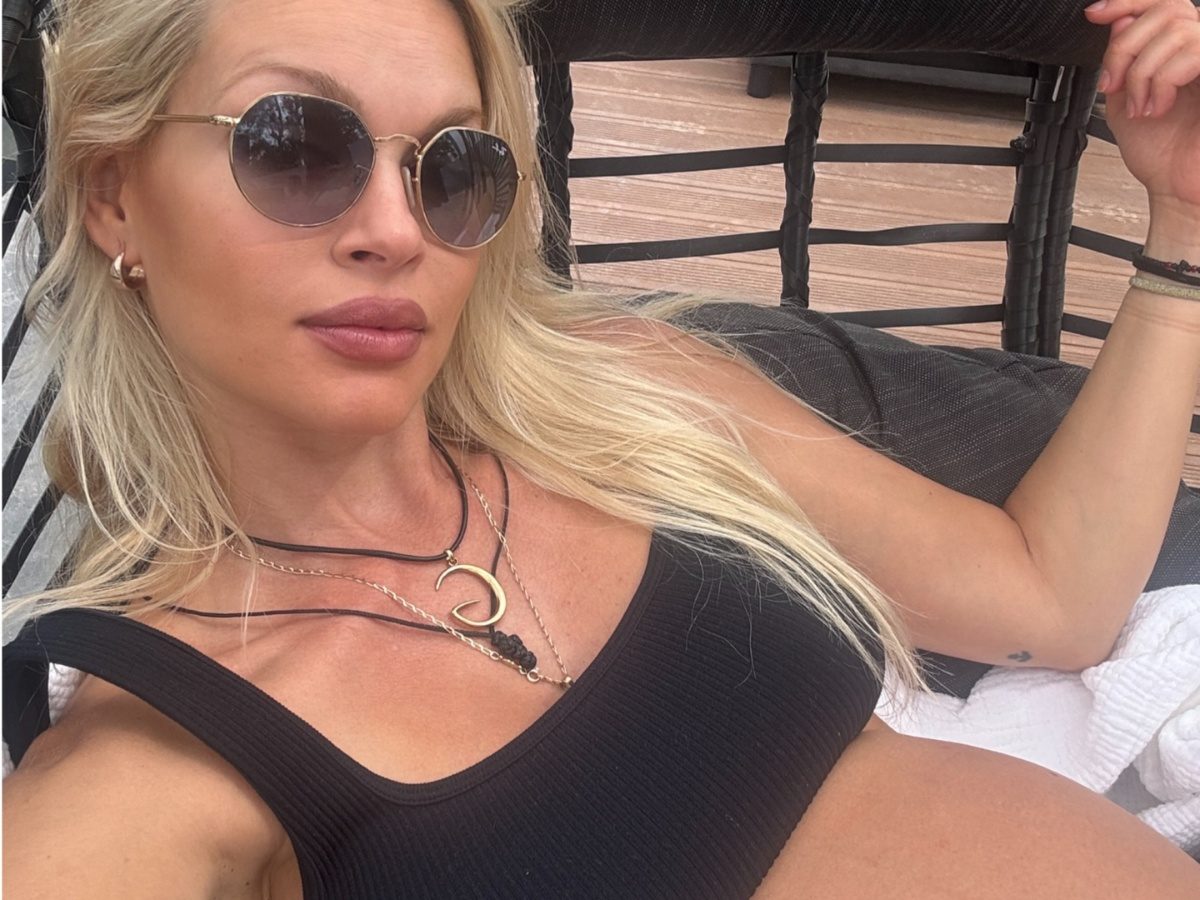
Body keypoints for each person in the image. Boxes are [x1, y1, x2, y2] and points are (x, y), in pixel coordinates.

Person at [2, 0, 1199, 895]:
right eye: (297, 145)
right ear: (114, 196)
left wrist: (1185, 223)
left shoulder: (619, 394)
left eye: (453, 168)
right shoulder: (168, 748)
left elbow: (1051, 601)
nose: (395, 230)